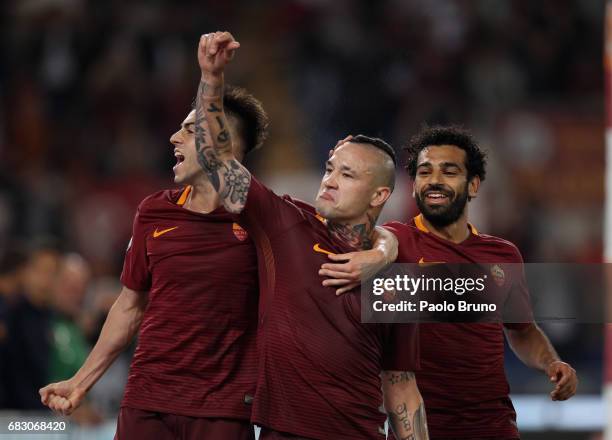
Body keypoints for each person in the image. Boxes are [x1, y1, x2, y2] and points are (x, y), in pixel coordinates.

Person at [194, 32, 428, 440]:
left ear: (379, 195)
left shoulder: (396, 278)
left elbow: (402, 387)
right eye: (330, 168)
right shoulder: (285, 224)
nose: (330, 180)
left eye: (347, 174)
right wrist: (211, 81)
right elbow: (216, 161)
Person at [40, 86, 268, 440]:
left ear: (223, 145)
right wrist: (79, 382)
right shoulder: (154, 210)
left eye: (191, 131)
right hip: (146, 403)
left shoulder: (263, 221)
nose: (174, 137)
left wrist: (384, 245)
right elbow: (130, 306)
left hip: (222, 409)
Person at [382, 125, 578, 439]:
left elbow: (522, 330)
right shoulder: (393, 241)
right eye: (424, 171)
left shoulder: (502, 254)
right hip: (424, 428)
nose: (434, 180)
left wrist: (552, 362)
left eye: (449, 171)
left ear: (473, 185)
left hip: (493, 426)